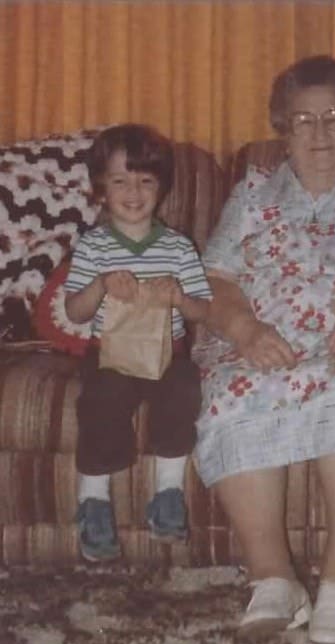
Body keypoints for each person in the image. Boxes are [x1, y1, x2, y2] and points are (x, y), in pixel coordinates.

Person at [192, 55, 335, 644]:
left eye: (334, 117)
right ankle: (273, 580)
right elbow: (213, 281)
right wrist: (244, 331)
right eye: (303, 120)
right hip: (263, 342)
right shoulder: (253, 193)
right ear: (282, 129)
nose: (319, 134)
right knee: (234, 393)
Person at [65, 123, 212, 562]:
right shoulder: (93, 247)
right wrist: (102, 284)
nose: (134, 191)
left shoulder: (178, 248)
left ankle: (167, 492)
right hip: (110, 356)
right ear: (100, 189)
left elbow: (204, 311)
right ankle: (93, 499)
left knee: (184, 387)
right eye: (120, 180)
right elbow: (75, 311)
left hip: (169, 355)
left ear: (161, 188)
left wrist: (180, 298)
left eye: (146, 180)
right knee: (100, 398)